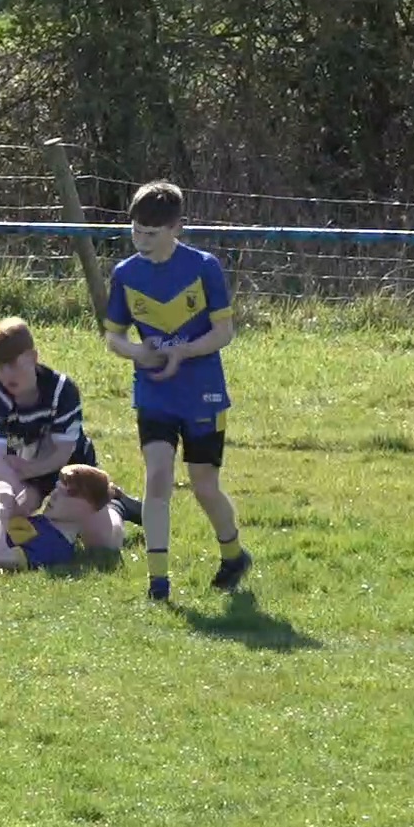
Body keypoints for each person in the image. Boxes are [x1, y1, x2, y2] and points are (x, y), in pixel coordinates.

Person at [103, 180, 253, 602]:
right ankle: (158, 583)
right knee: (157, 477)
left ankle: (234, 555)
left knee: (204, 484)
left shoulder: (204, 267)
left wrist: (182, 352)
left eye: (152, 234)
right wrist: (139, 352)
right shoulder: (125, 274)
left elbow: (224, 332)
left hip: (202, 392)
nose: (142, 241)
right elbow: (113, 337)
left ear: (176, 229)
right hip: (154, 393)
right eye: (136, 231)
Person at [0, 316, 141, 524]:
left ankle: (114, 501)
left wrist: (29, 471)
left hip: (72, 468)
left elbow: (62, 453)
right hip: (25, 471)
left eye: (12, 364)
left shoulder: (62, 390)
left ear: (33, 357)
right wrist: (14, 494)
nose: (6, 374)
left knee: (100, 535)